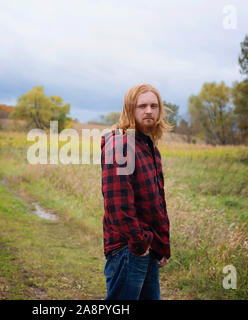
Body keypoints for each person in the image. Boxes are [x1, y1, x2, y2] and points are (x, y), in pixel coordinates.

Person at [101, 83, 172, 300]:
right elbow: (118, 204)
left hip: (145, 248)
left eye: (154, 105)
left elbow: (155, 203)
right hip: (129, 250)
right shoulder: (122, 144)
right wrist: (140, 244)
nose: (149, 111)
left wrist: (160, 245)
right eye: (142, 106)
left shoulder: (148, 147)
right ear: (130, 109)